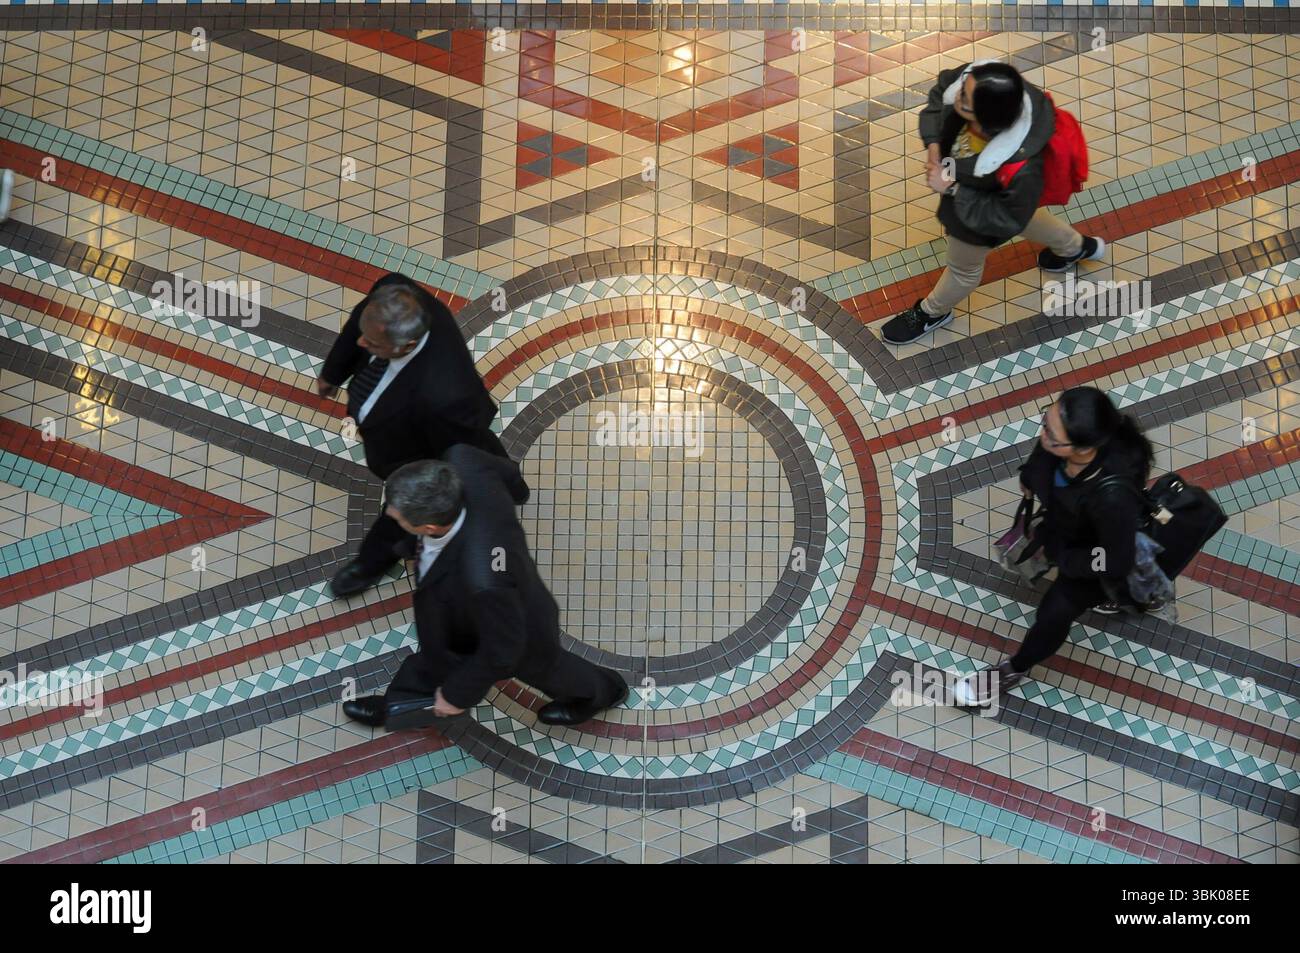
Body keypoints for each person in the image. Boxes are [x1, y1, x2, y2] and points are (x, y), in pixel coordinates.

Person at [342, 447, 628, 729]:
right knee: (436, 656)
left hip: (518, 628)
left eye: (398, 516)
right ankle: (398, 704)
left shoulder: (482, 579)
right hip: (470, 613)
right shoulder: (463, 461)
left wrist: (456, 696)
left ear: (429, 527)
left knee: (547, 668)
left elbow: (502, 651)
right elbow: (509, 473)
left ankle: (602, 692)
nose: (390, 513)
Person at [316, 273, 523, 598]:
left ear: (406, 345)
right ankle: (509, 479)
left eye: (372, 344)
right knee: (482, 452)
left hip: (424, 447)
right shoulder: (392, 295)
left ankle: (371, 562)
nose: (362, 343)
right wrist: (333, 372)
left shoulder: (446, 396)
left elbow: (445, 460)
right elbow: (360, 323)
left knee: (409, 505)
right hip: (421, 431)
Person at [954, 387, 1153, 707]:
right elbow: (1044, 452)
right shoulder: (1060, 439)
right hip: (1064, 529)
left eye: (1051, 433)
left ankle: (1011, 670)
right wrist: (1031, 477)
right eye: (1045, 422)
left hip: (1089, 554)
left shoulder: (1113, 496)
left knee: (1053, 614)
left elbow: (1114, 558)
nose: (1043, 435)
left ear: (1082, 448)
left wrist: (1067, 561)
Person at [882, 61, 1105, 346]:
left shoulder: (1023, 168)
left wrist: (951, 189)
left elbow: (1004, 217)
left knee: (964, 269)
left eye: (965, 98)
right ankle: (1076, 247)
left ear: (988, 119)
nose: (958, 93)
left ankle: (932, 313)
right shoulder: (988, 85)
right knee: (1028, 215)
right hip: (998, 196)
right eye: (964, 87)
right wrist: (934, 143)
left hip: (982, 215)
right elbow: (941, 93)